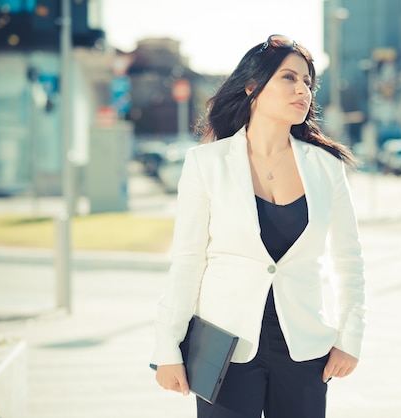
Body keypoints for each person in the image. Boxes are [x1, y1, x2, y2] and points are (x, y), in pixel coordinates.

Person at [152, 34, 366, 418]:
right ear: (252, 86)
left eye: (307, 81)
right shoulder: (207, 164)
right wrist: (167, 347)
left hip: (304, 349)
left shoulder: (325, 167)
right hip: (225, 349)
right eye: (289, 78)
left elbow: (348, 258)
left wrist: (350, 337)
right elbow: (187, 260)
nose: (303, 89)